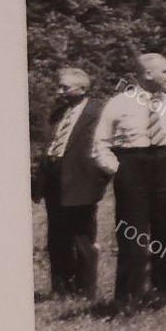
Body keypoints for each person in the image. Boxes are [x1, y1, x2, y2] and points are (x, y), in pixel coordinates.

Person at [92, 54, 166, 313]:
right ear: (147, 74)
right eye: (165, 70)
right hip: (132, 164)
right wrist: (119, 169)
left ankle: (164, 294)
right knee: (132, 235)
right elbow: (101, 144)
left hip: (165, 165)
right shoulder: (119, 104)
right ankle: (128, 297)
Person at [32, 67, 109, 299]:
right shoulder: (59, 112)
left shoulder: (98, 111)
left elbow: (106, 145)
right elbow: (51, 144)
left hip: (81, 180)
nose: (60, 91)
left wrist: (99, 177)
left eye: (65, 87)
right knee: (57, 236)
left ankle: (86, 290)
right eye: (60, 86)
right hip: (55, 178)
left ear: (83, 88)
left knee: (82, 236)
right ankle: (61, 288)